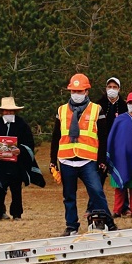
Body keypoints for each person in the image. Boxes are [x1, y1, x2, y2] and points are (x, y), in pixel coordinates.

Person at [52, 74, 117, 235]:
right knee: (68, 196)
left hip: (88, 161)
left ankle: (109, 221)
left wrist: (102, 160)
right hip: (66, 160)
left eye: (80, 91)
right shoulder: (61, 110)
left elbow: (103, 137)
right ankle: (71, 226)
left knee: (96, 191)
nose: (76, 93)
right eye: (73, 90)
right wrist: (53, 160)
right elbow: (55, 137)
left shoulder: (96, 109)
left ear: (87, 91)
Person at [0, 96, 45, 221]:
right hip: (0, 164)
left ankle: (17, 214)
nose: (8, 113)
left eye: (11, 111)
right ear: (2, 111)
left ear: (15, 111)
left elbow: (29, 142)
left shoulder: (22, 125)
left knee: (16, 190)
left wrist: (21, 150)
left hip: (16, 164)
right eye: (6, 111)